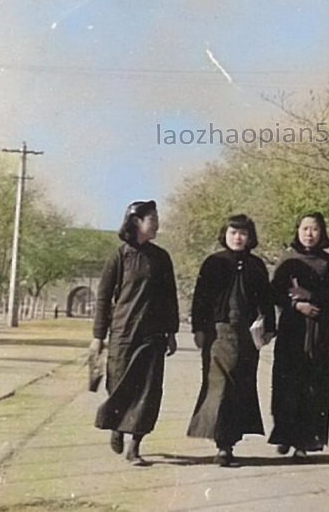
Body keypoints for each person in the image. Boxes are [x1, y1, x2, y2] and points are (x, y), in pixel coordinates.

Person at [90, 200, 179, 465]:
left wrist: (171, 332)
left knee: (149, 392)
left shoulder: (161, 258)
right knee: (118, 385)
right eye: (152, 218)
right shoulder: (119, 256)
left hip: (152, 336)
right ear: (136, 221)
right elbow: (104, 298)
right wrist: (98, 336)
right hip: (123, 334)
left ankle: (135, 446)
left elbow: (170, 297)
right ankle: (117, 426)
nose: (157, 222)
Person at [187, 214, 275, 467]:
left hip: (247, 336)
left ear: (250, 237)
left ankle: (230, 443)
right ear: (225, 235)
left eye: (242, 233)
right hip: (218, 334)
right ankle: (221, 445)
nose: (237, 238)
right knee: (220, 388)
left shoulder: (256, 265)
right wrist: (198, 330)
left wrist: (269, 327)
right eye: (233, 232)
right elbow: (200, 299)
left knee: (240, 389)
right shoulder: (213, 263)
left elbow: (266, 301)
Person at [269, 211, 329, 460]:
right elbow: (275, 294)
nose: (309, 234)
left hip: (318, 330)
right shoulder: (287, 260)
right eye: (304, 229)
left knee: (314, 386)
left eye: (314, 229)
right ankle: (284, 435)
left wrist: (310, 296)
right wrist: (295, 305)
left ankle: (304, 441)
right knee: (287, 384)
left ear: (321, 232)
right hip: (292, 329)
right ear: (297, 231)